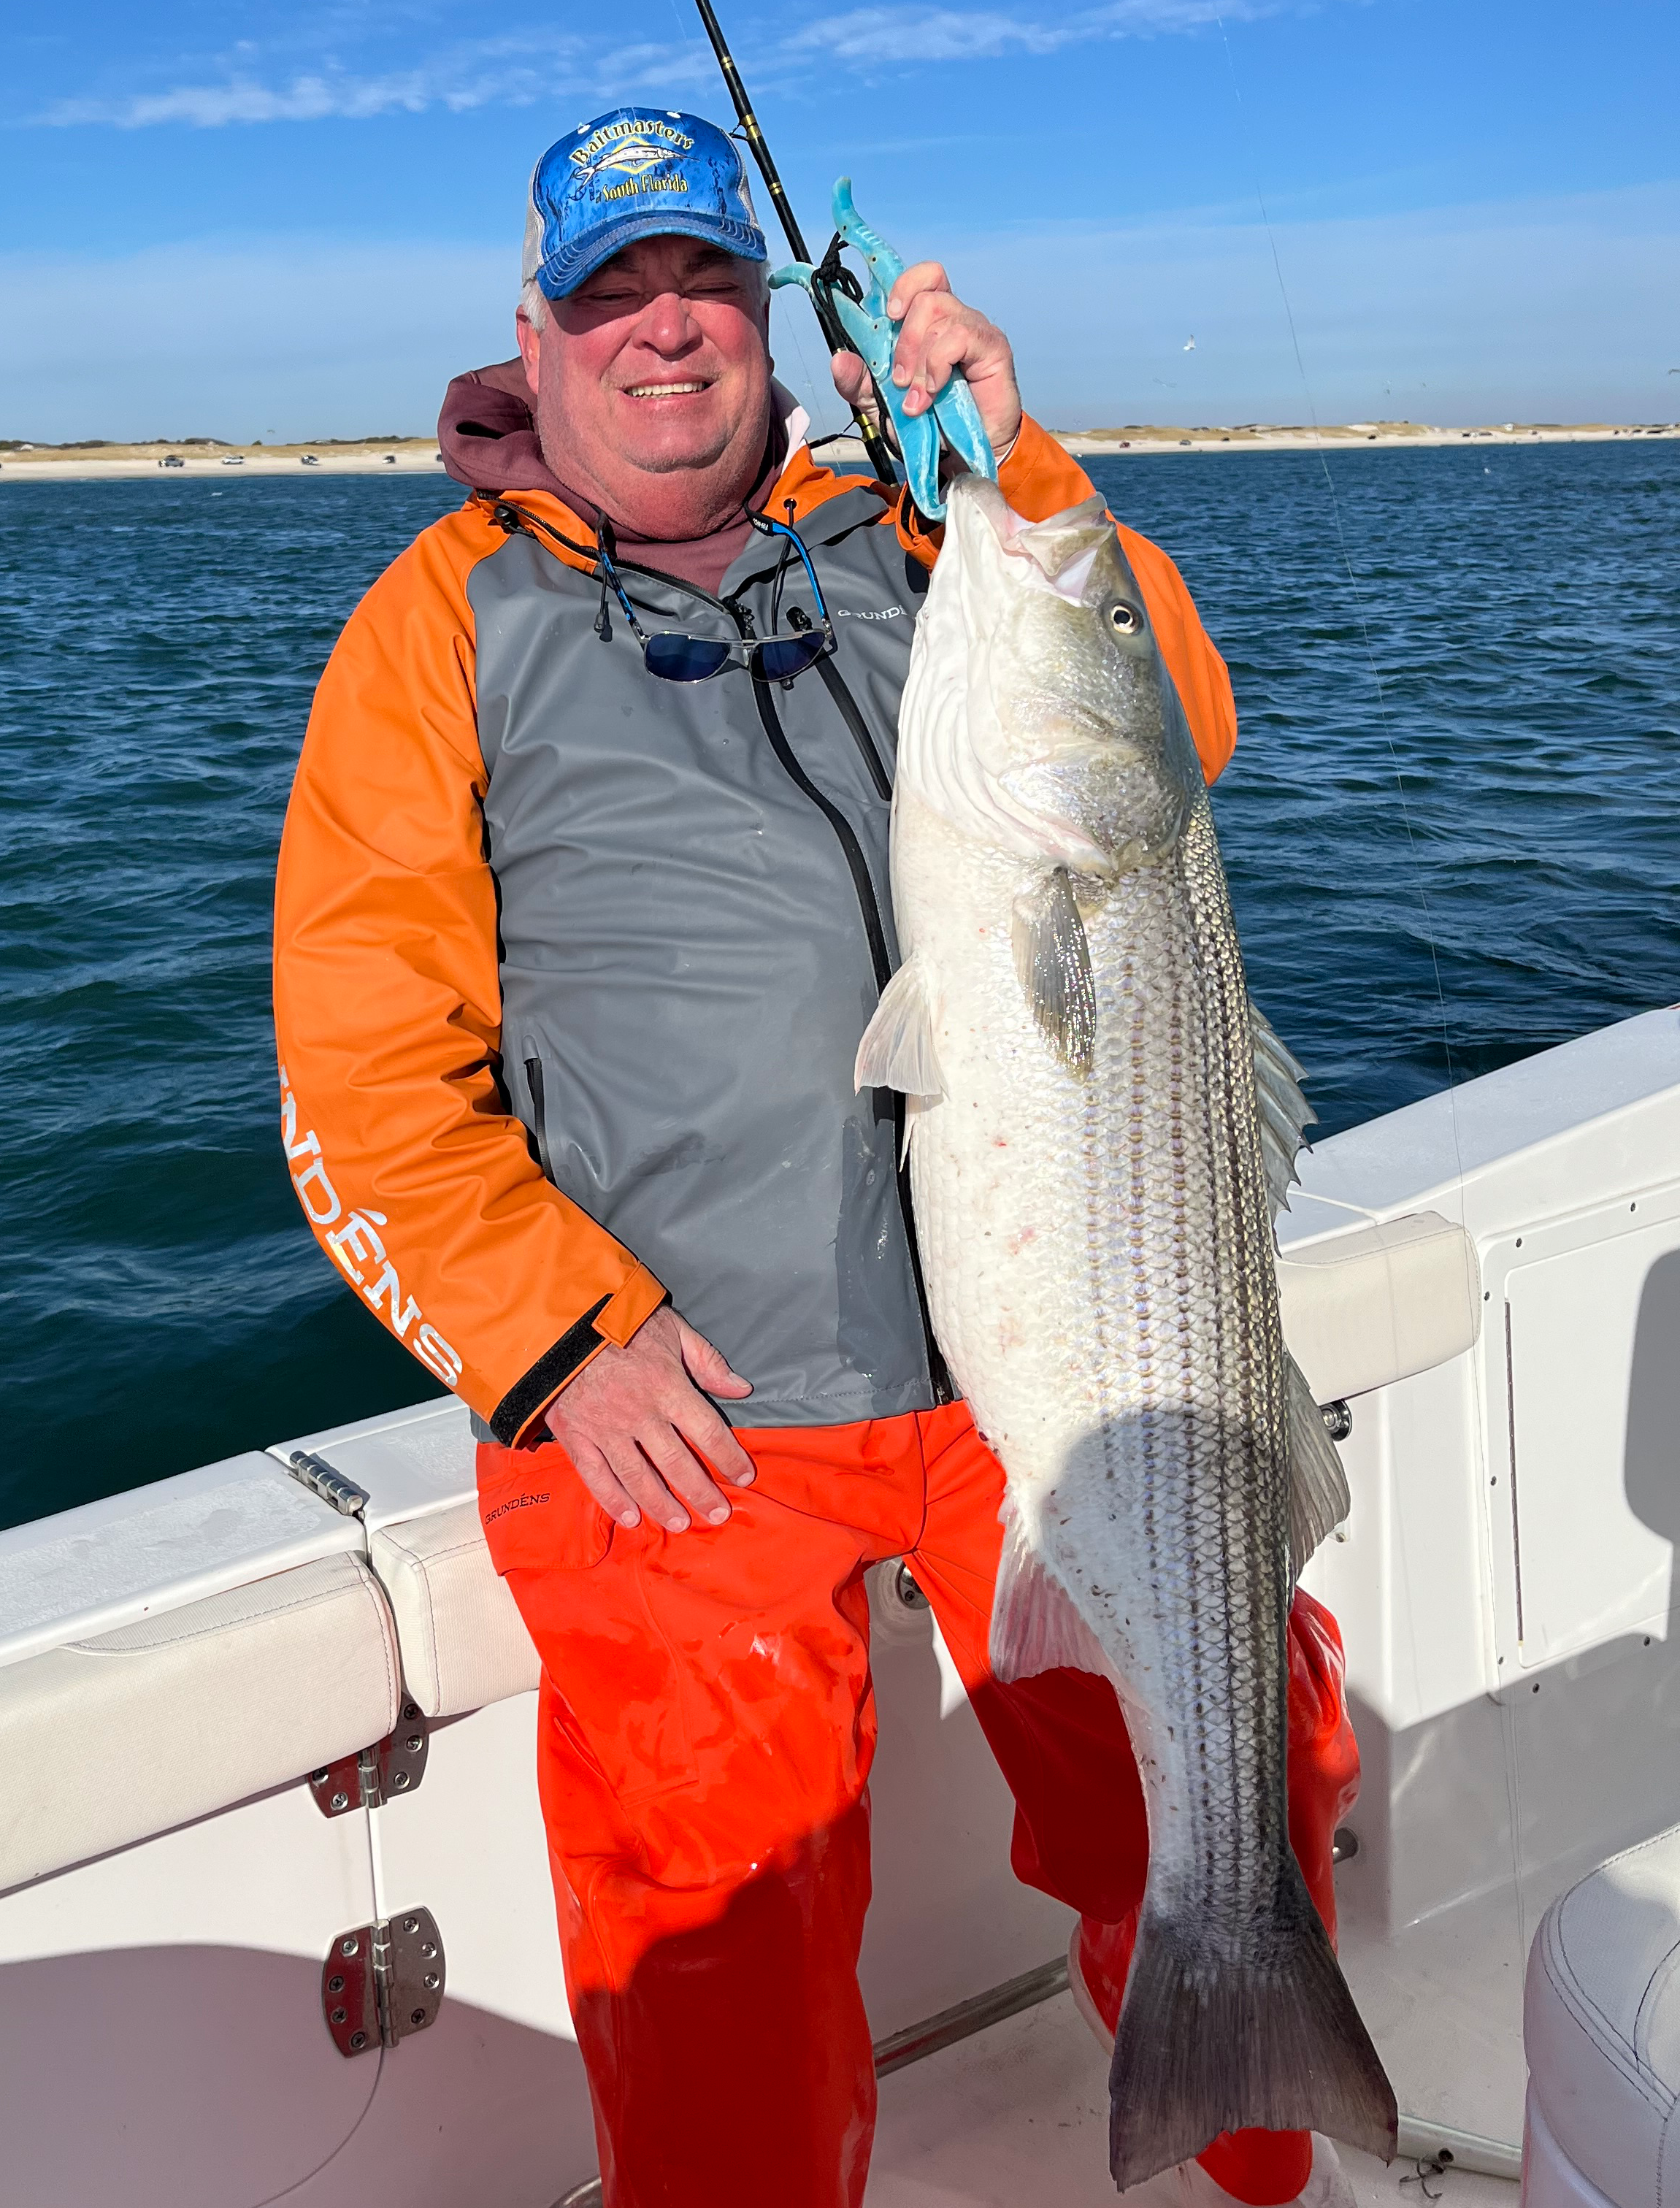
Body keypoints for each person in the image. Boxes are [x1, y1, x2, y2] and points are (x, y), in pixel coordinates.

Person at [274, 104, 1359, 2208]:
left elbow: (1177, 727)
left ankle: (1252, 2150)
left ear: (770, 315)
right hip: (683, 1412)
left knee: (1246, 1776)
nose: (663, 332)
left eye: (703, 282)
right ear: (535, 335)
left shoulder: (921, 527)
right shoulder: (438, 627)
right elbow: (358, 1061)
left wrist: (1005, 456)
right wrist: (554, 1340)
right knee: (721, 1981)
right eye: (612, 294)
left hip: (1034, 1351)